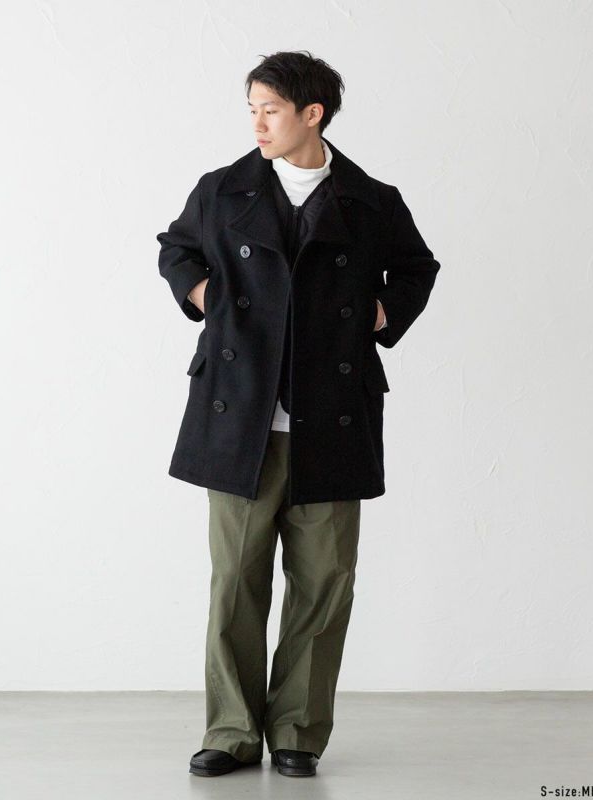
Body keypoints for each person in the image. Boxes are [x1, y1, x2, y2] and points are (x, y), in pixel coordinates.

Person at [157, 50, 440, 778]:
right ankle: (230, 731)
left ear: (312, 115)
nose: (257, 123)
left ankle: (297, 733)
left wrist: (380, 313)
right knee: (235, 584)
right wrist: (205, 297)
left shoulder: (370, 200)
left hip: (332, 421)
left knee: (323, 585)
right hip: (241, 419)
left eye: (271, 110)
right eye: (252, 108)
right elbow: (177, 249)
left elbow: (417, 268)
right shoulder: (222, 191)